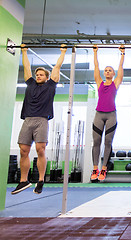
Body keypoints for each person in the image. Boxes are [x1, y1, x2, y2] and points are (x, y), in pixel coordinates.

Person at [11, 44, 67, 195]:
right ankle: (24, 180)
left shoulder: (50, 85)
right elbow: (27, 66)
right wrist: (24, 51)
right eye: (37, 75)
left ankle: (41, 180)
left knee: (40, 149)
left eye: (41, 75)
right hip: (28, 120)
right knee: (23, 150)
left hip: (41, 120)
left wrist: (62, 52)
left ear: (47, 77)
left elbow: (57, 67)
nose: (38, 76)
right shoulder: (30, 84)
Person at [90, 45, 125, 181]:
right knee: (96, 141)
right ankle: (95, 168)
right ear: (104, 73)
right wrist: (95, 52)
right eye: (106, 70)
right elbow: (96, 66)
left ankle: (104, 169)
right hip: (99, 114)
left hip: (111, 115)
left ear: (113, 74)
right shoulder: (99, 83)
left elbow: (121, 69)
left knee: (108, 142)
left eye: (110, 70)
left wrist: (122, 54)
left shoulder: (115, 83)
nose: (107, 71)